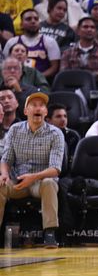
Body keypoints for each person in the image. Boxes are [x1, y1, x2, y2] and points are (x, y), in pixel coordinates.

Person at [0, 92, 63, 248]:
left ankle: (49, 233)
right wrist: (4, 174)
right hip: (18, 182)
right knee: (0, 184)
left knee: (49, 183)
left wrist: (33, 177)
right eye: (34, 105)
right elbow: (6, 159)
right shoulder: (15, 130)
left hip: (40, 183)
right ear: (26, 111)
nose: (38, 108)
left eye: (41, 105)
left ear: (46, 112)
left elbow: (55, 169)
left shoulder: (55, 133)